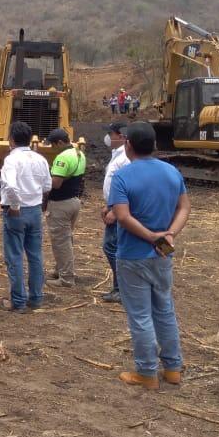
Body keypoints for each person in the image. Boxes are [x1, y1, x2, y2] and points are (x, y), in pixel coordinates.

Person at [104, 122, 191, 390]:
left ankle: (146, 372)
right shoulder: (171, 172)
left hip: (133, 254)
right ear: (154, 144)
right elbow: (184, 207)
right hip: (163, 252)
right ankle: (173, 368)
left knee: (140, 316)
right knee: (164, 309)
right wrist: (170, 234)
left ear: (128, 144)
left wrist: (151, 236)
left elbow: (122, 216)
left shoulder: (123, 176)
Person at [0, 121, 51, 311]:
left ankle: (18, 300)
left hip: (17, 211)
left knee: (14, 256)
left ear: (11, 139)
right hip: (35, 210)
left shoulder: (11, 160)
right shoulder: (40, 159)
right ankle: (36, 297)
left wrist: (14, 205)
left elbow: (11, 186)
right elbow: (47, 186)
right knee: (35, 255)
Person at [45, 128, 86, 288]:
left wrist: (42, 179)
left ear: (60, 142)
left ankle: (66, 278)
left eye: (53, 145)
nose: (52, 148)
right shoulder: (79, 153)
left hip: (60, 204)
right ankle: (60, 269)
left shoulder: (62, 157)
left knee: (61, 241)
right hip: (74, 201)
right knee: (66, 238)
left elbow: (56, 183)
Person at [101, 121, 130, 303]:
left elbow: (127, 187)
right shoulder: (117, 155)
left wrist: (116, 209)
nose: (108, 138)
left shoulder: (125, 158)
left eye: (111, 134)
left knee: (112, 247)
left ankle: (122, 288)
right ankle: (120, 287)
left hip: (121, 209)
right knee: (114, 247)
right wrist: (109, 204)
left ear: (121, 136)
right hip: (116, 206)